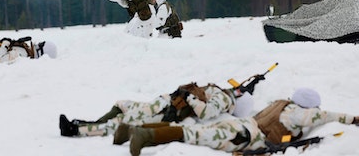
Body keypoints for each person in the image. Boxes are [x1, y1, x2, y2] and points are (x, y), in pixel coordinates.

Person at [126, 87, 359, 156]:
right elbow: (327, 116)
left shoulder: (280, 102)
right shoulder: (299, 113)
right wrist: (354, 119)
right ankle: (145, 136)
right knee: (193, 135)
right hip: (245, 136)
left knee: (194, 131)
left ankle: (134, 130)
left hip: (242, 127)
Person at [59, 82, 254, 143]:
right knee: (122, 105)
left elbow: (206, 112)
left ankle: (75, 131)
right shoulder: (217, 92)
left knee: (122, 121)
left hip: (164, 111)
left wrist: (189, 97)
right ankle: (88, 123)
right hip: (163, 103)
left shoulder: (224, 98)